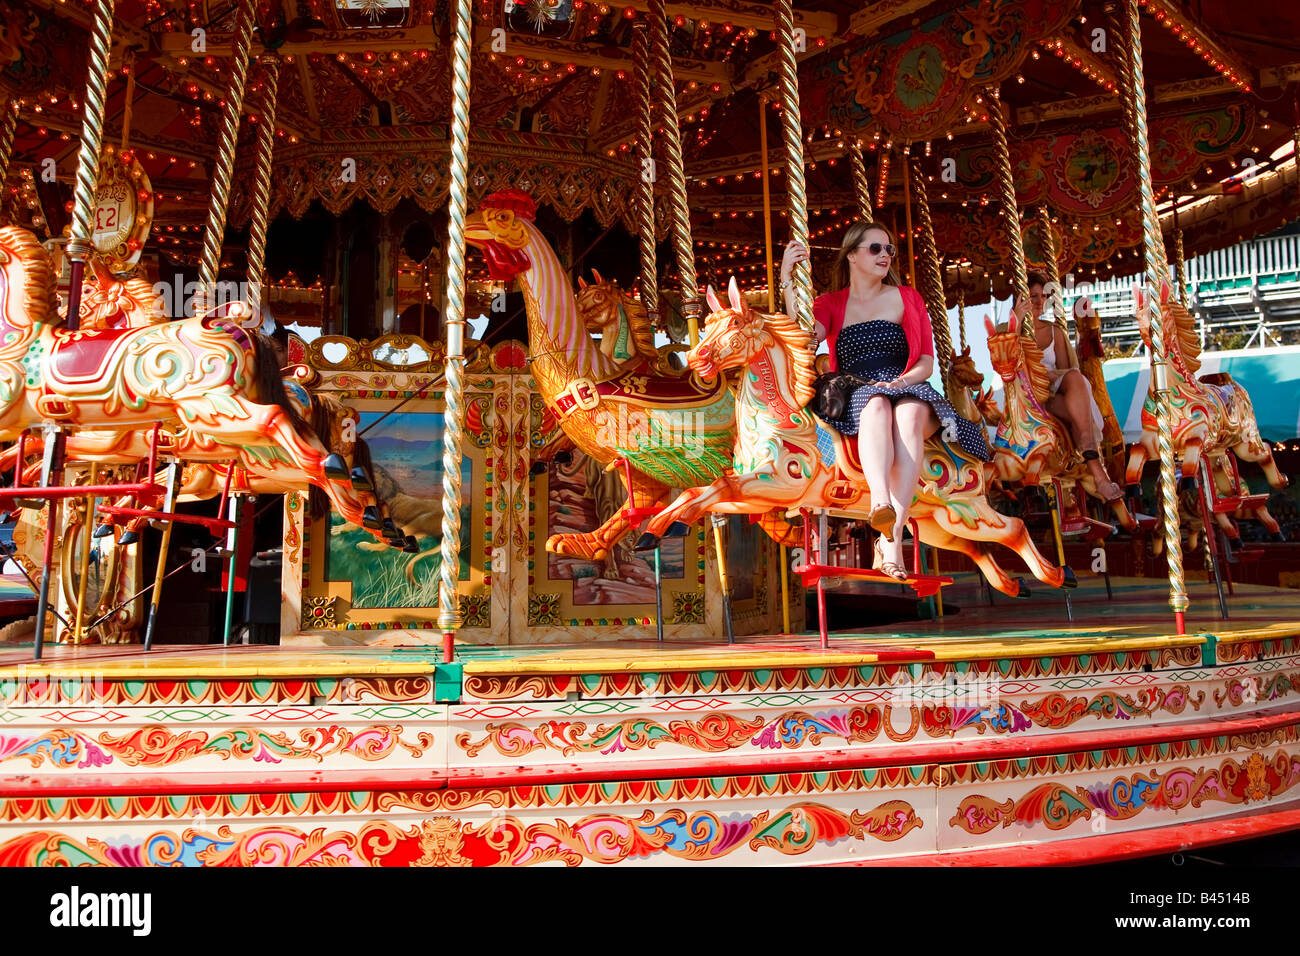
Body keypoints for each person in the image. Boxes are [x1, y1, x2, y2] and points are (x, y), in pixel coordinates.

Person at [781, 223, 991, 580]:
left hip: (906, 383)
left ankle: (891, 538)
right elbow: (801, 341)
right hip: (857, 390)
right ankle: (881, 504)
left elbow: (926, 359)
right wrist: (787, 279)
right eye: (875, 248)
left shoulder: (907, 297)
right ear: (852, 255)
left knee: (908, 415)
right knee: (876, 404)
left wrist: (901, 380)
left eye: (889, 250)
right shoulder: (830, 304)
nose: (885, 256)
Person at [1011, 274, 1122, 501]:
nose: (1039, 301)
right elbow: (1005, 363)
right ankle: (1098, 474)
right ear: (1020, 298)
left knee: (1075, 378)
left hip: (1054, 397)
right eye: (1033, 296)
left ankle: (1092, 461)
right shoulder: (1008, 331)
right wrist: (1017, 322)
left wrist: (1050, 376)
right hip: (1026, 399)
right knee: (1072, 387)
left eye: (1043, 296)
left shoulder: (1055, 333)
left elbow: (1066, 374)